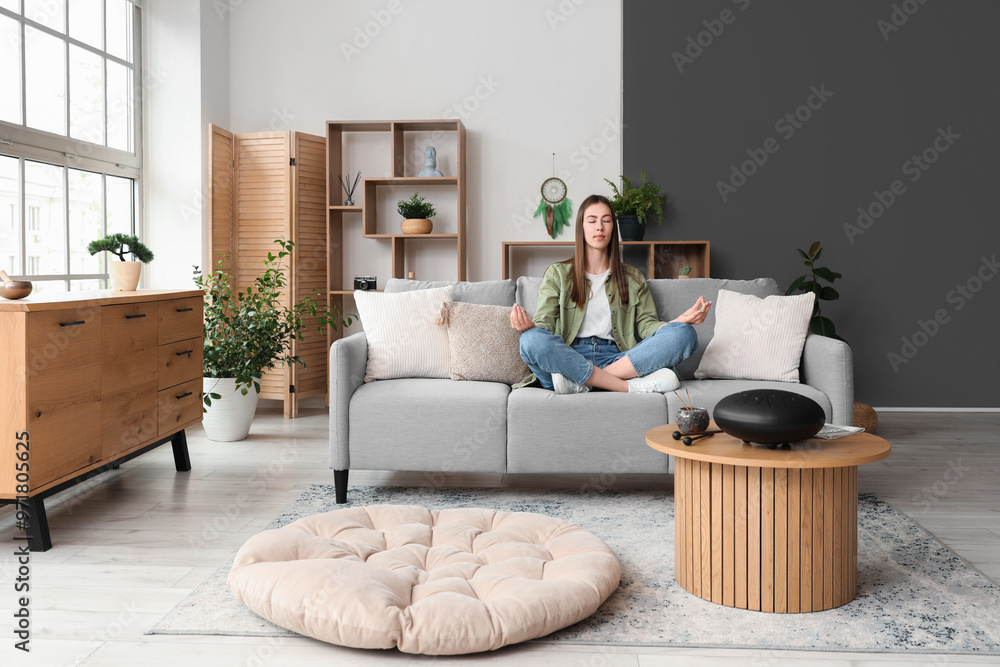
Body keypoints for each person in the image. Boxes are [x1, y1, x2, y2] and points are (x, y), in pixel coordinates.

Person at [511, 194, 711, 394]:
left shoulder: (632, 277)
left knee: (683, 333)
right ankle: (623, 386)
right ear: (581, 227)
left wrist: (675, 322)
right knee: (530, 340)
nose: (600, 226)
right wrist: (531, 326)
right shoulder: (558, 273)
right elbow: (545, 322)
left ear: (613, 228)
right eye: (592, 221)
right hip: (568, 357)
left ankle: (584, 382)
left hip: (619, 359)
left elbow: (646, 324)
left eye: (606, 220)